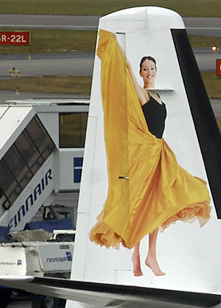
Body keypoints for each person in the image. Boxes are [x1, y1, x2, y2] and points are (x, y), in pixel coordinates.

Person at [87, 32, 211, 276]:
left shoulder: (157, 96)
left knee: (157, 201)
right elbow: (130, 80)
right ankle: (142, 254)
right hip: (149, 154)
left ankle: (146, 255)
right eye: (145, 68)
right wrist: (127, 63)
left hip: (159, 151)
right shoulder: (142, 95)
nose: (149, 71)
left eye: (151, 67)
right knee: (149, 202)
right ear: (142, 72)